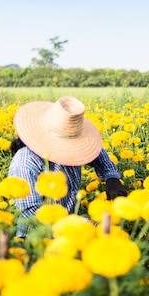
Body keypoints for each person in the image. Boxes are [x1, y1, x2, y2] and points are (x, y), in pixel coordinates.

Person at [8, 96, 127, 237]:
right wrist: (88, 225)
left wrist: (111, 177)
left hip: (70, 227)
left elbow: (97, 152)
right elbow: (33, 214)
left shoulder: (71, 149)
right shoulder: (25, 162)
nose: (74, 149)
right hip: (39, 239)